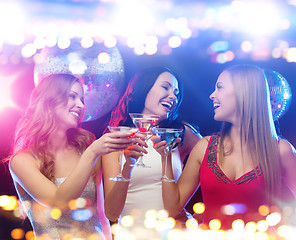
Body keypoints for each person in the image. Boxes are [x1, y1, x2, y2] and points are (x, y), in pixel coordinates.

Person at [158, 64, 296, 230]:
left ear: (244, 93)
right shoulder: (204, 147)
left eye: (220, 88)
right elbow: (172, 208)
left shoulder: (281, 150)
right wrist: (165, 156)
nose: (212, 95)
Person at [7, 73, 136, 240]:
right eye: (72, 97)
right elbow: (59, 203)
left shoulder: (86, 143)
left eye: (82, 99)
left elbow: (101, 214)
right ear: (50, 101)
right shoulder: (22, 161)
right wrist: (92, 153)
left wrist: (127, 165)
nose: (80, 105)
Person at [102, 66, 202, 238]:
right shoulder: (116, 138)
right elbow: (111, 213)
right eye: (166, 87)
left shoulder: (181, 133)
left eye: (176, 93)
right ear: (144, 87)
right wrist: (128, 166)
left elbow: (216, 161)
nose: (173, 97)